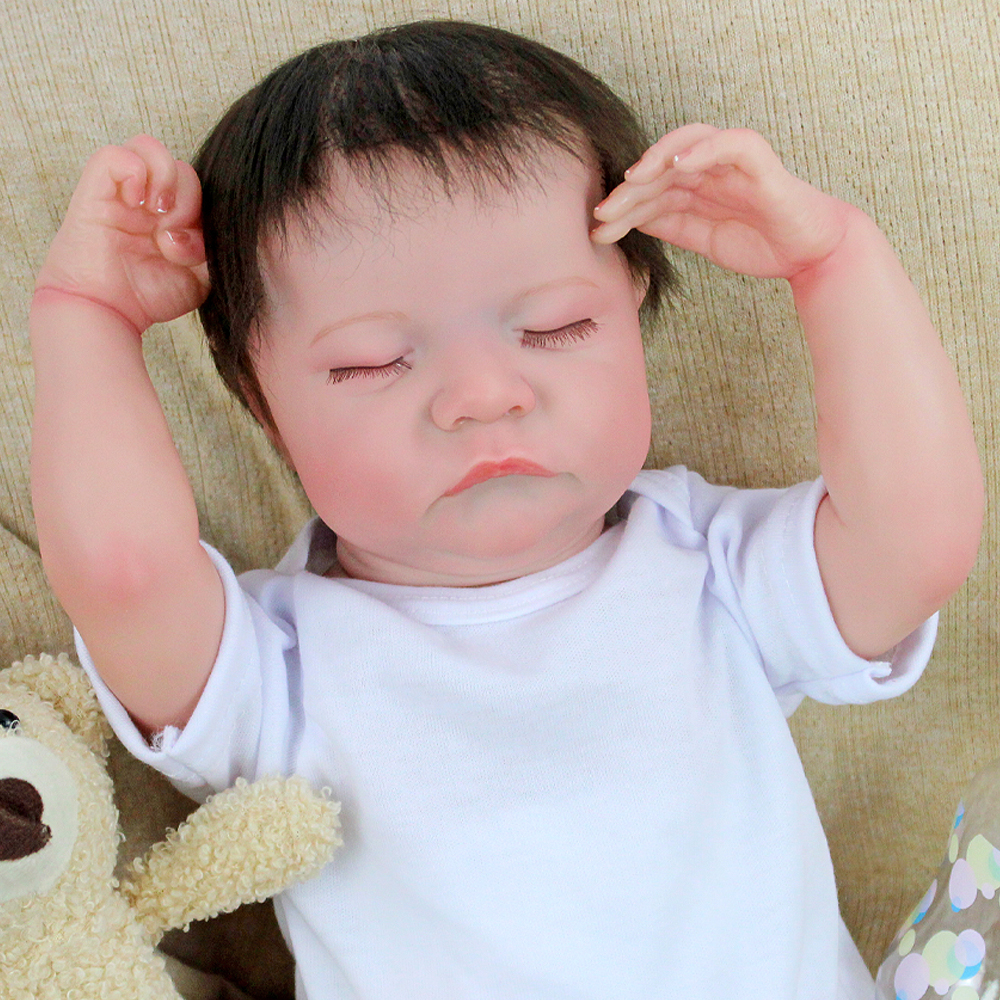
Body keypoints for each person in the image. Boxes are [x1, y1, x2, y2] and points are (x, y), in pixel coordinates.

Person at [29, 19, 983, 1000]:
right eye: (372, 363)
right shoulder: (277, 668)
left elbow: (917, 540)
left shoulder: (710, 568)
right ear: (262, 407)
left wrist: (834, 262)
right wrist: (87, 315)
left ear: (634, 311)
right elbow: (123, 571)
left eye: (554, 327)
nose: (484, 395)